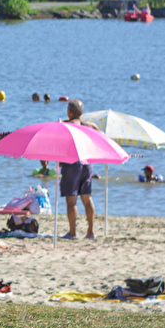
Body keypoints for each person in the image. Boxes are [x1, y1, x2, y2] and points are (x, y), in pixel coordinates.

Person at [59, 99, 98, 239]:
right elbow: (101, 141)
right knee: (87, 198)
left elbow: (61, 145)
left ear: (69, 111)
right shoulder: (91, 126)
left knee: (71, 200)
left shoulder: (65, 125)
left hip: (71, 163)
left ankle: (72, 232)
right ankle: (91, 232)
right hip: (87, 162)